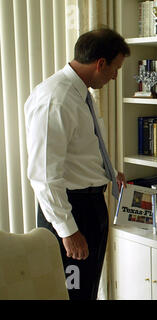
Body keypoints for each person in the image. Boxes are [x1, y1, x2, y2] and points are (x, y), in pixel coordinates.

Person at [24, 28, 130, 300]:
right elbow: (44, 176)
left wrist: (107, 172)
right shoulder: (55, 100)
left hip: (90, 206)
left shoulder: (80, 94)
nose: (115, 76)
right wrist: (68, 231)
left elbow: (80, 148)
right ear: (100, 64)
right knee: (71, 294)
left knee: (88, 289)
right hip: (72, 211)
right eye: (115, 68)